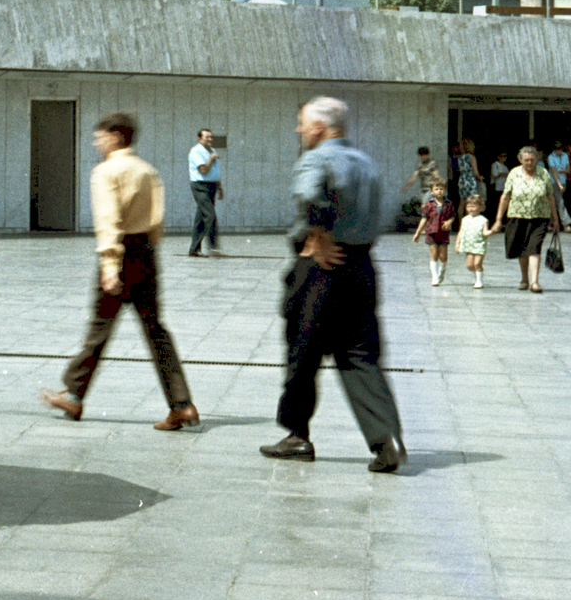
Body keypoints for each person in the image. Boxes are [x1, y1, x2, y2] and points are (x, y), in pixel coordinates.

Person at [260, 96, 406, 472]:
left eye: (302, 123)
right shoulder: (367, 163)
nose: (298, 130)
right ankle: (385, 437)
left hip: (320, 268)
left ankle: (297, 435)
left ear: (320, 128)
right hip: (361, 266)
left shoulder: (317, 158)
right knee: (361, 355)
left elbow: (309, 195)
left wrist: (320, 231)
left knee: (303, 352)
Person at [39, 112, 199, 431]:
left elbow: (108, 220)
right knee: (156, 330)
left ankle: (73, 395)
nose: (96, 143)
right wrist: (147, 253)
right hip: (146, 255)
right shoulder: (147, 171)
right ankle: (182, 405)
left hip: (120, 254)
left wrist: (110, 265)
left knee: (99, 329)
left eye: (99, 137)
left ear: (114, 136)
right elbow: (157, 220)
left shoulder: (106, 171)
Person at [488, 145, 561, 292]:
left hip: (539, 217)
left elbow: (550, 196)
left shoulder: (544, 173)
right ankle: (524, 279)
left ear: (537, 159)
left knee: (534, 247)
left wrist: (555, 218)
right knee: (522, 249)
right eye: (526, 160)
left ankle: (535, 282)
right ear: (520, 160)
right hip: (517, 215)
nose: (529, 163)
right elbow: (505, 196)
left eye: (532, 160)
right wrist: (498, 219)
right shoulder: (514, 174)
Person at [186, 128, 224, 258]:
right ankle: (213, 246)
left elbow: (215, 172)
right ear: (200, 139)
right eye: (207, 137)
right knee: (210, 215)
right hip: (200, 186)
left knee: (201, 219)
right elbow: (203, 170)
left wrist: (220, 187)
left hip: (212, 186)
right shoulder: (195, 152)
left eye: (211, 137)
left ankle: (194, 249)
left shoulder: (212, 151)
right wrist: (211, 158)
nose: (210, 139)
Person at [411, 178, 454, 287]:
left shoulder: (449, 204)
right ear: (432, 191)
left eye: (441, 189)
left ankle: (442, 268)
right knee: (434, 254)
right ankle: (434, 277)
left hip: (443, 233)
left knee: (443, 256)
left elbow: (453, 216)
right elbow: (424, 219)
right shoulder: (429, 204)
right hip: (432, 232)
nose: (439, 191)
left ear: (445, 190)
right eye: (436, 189)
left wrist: (449, 222)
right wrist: (417, 233)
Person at [455, 195, 489, 289]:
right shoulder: (465, 219)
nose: (471, 208)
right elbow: (461, 232)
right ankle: (477, 273)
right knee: (469, 265)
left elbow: (485, 232)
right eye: (469, 206)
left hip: (479, 244)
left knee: (477, 263)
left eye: (474, 206)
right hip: (469, 246)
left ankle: (479, 280)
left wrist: (491, 232)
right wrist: (457, 243)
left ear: (480, 207)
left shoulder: (483, 220)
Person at [546, 141, 571, 230]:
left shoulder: (565, 156)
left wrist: (563, 171)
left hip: (563, 182)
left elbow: (568, 170)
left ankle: (550, 224)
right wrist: (559, 184)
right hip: (554, 183)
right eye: (557, 149)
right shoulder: (551, 157)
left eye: (560, 149)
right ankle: (566, 224)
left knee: (553, 203)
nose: (558, 151)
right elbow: (554, 172)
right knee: (560, 202)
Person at [456, 138, 482, 205]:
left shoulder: (460, 158)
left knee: (462, 201)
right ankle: (469, 215)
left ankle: (460, 215)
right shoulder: (471, 157)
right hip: (470, 180)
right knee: (471, 201)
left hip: (462, 179)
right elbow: (475, 172)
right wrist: (480, 177)